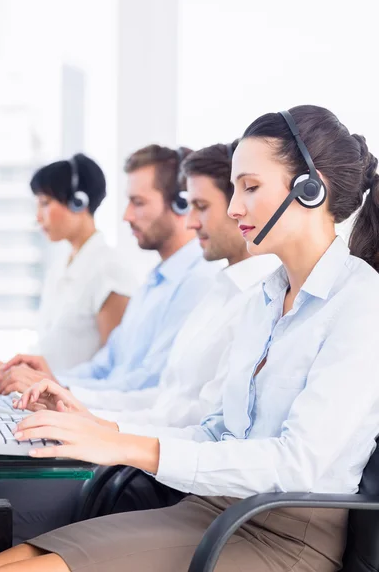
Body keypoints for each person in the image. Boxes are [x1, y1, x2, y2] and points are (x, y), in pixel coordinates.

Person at [0, 104, 379, 572]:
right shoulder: (264, 299)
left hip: (284, 537)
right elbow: (216, 431)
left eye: (250, 187)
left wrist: (128, 448)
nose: (235, 208)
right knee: (3, 561)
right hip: (214, 509)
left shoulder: (361, 302)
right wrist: (103, 430)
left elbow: (297, 465)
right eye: (234, 189)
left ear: (312, 190)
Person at [59, 141, 279, 423]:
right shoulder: (218, 289)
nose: (191, 222)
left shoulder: (251, 296)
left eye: (200, 206)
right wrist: (75, 405)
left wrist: (97, 423)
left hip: (165, 453)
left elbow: (202, 421)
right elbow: (166, 397)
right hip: (150, 441)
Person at [0, 145, 220, 399]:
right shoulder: (154, 281)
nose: (126, 216)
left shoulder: (197, 283)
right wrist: (52, 382)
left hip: (126, 421)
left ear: (181, 204)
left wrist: (64, 391)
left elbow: (148, 386)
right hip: (104, 408)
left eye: (138, 202)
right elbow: (108, 364)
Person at [0, 154, 137, 376]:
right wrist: (2, 368)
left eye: (44, 203)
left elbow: (114, 370)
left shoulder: (109, 271)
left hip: (76, 402)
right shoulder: (61, 268)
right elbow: (53, 356)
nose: (37, 216)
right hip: (47, 394)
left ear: (78, 202)